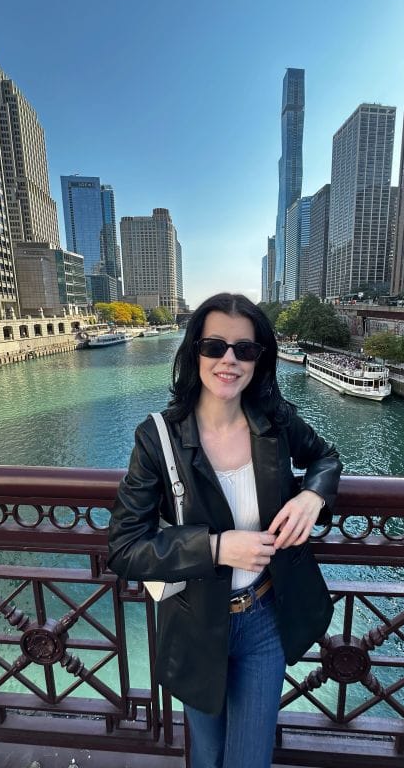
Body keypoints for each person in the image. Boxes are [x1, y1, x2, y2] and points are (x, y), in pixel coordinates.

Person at [108, 293, 342, 768]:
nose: (229, 360)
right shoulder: (157, 437)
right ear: (194, 351)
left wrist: (312, 495)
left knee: (248, 759)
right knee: (207, 755)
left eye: (245, 349)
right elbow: (124, 546)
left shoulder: (275, 421)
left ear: (260, 359)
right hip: (197, 621)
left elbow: (326, 457)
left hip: (265, 616)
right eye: (215, 346)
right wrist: (215, 547)